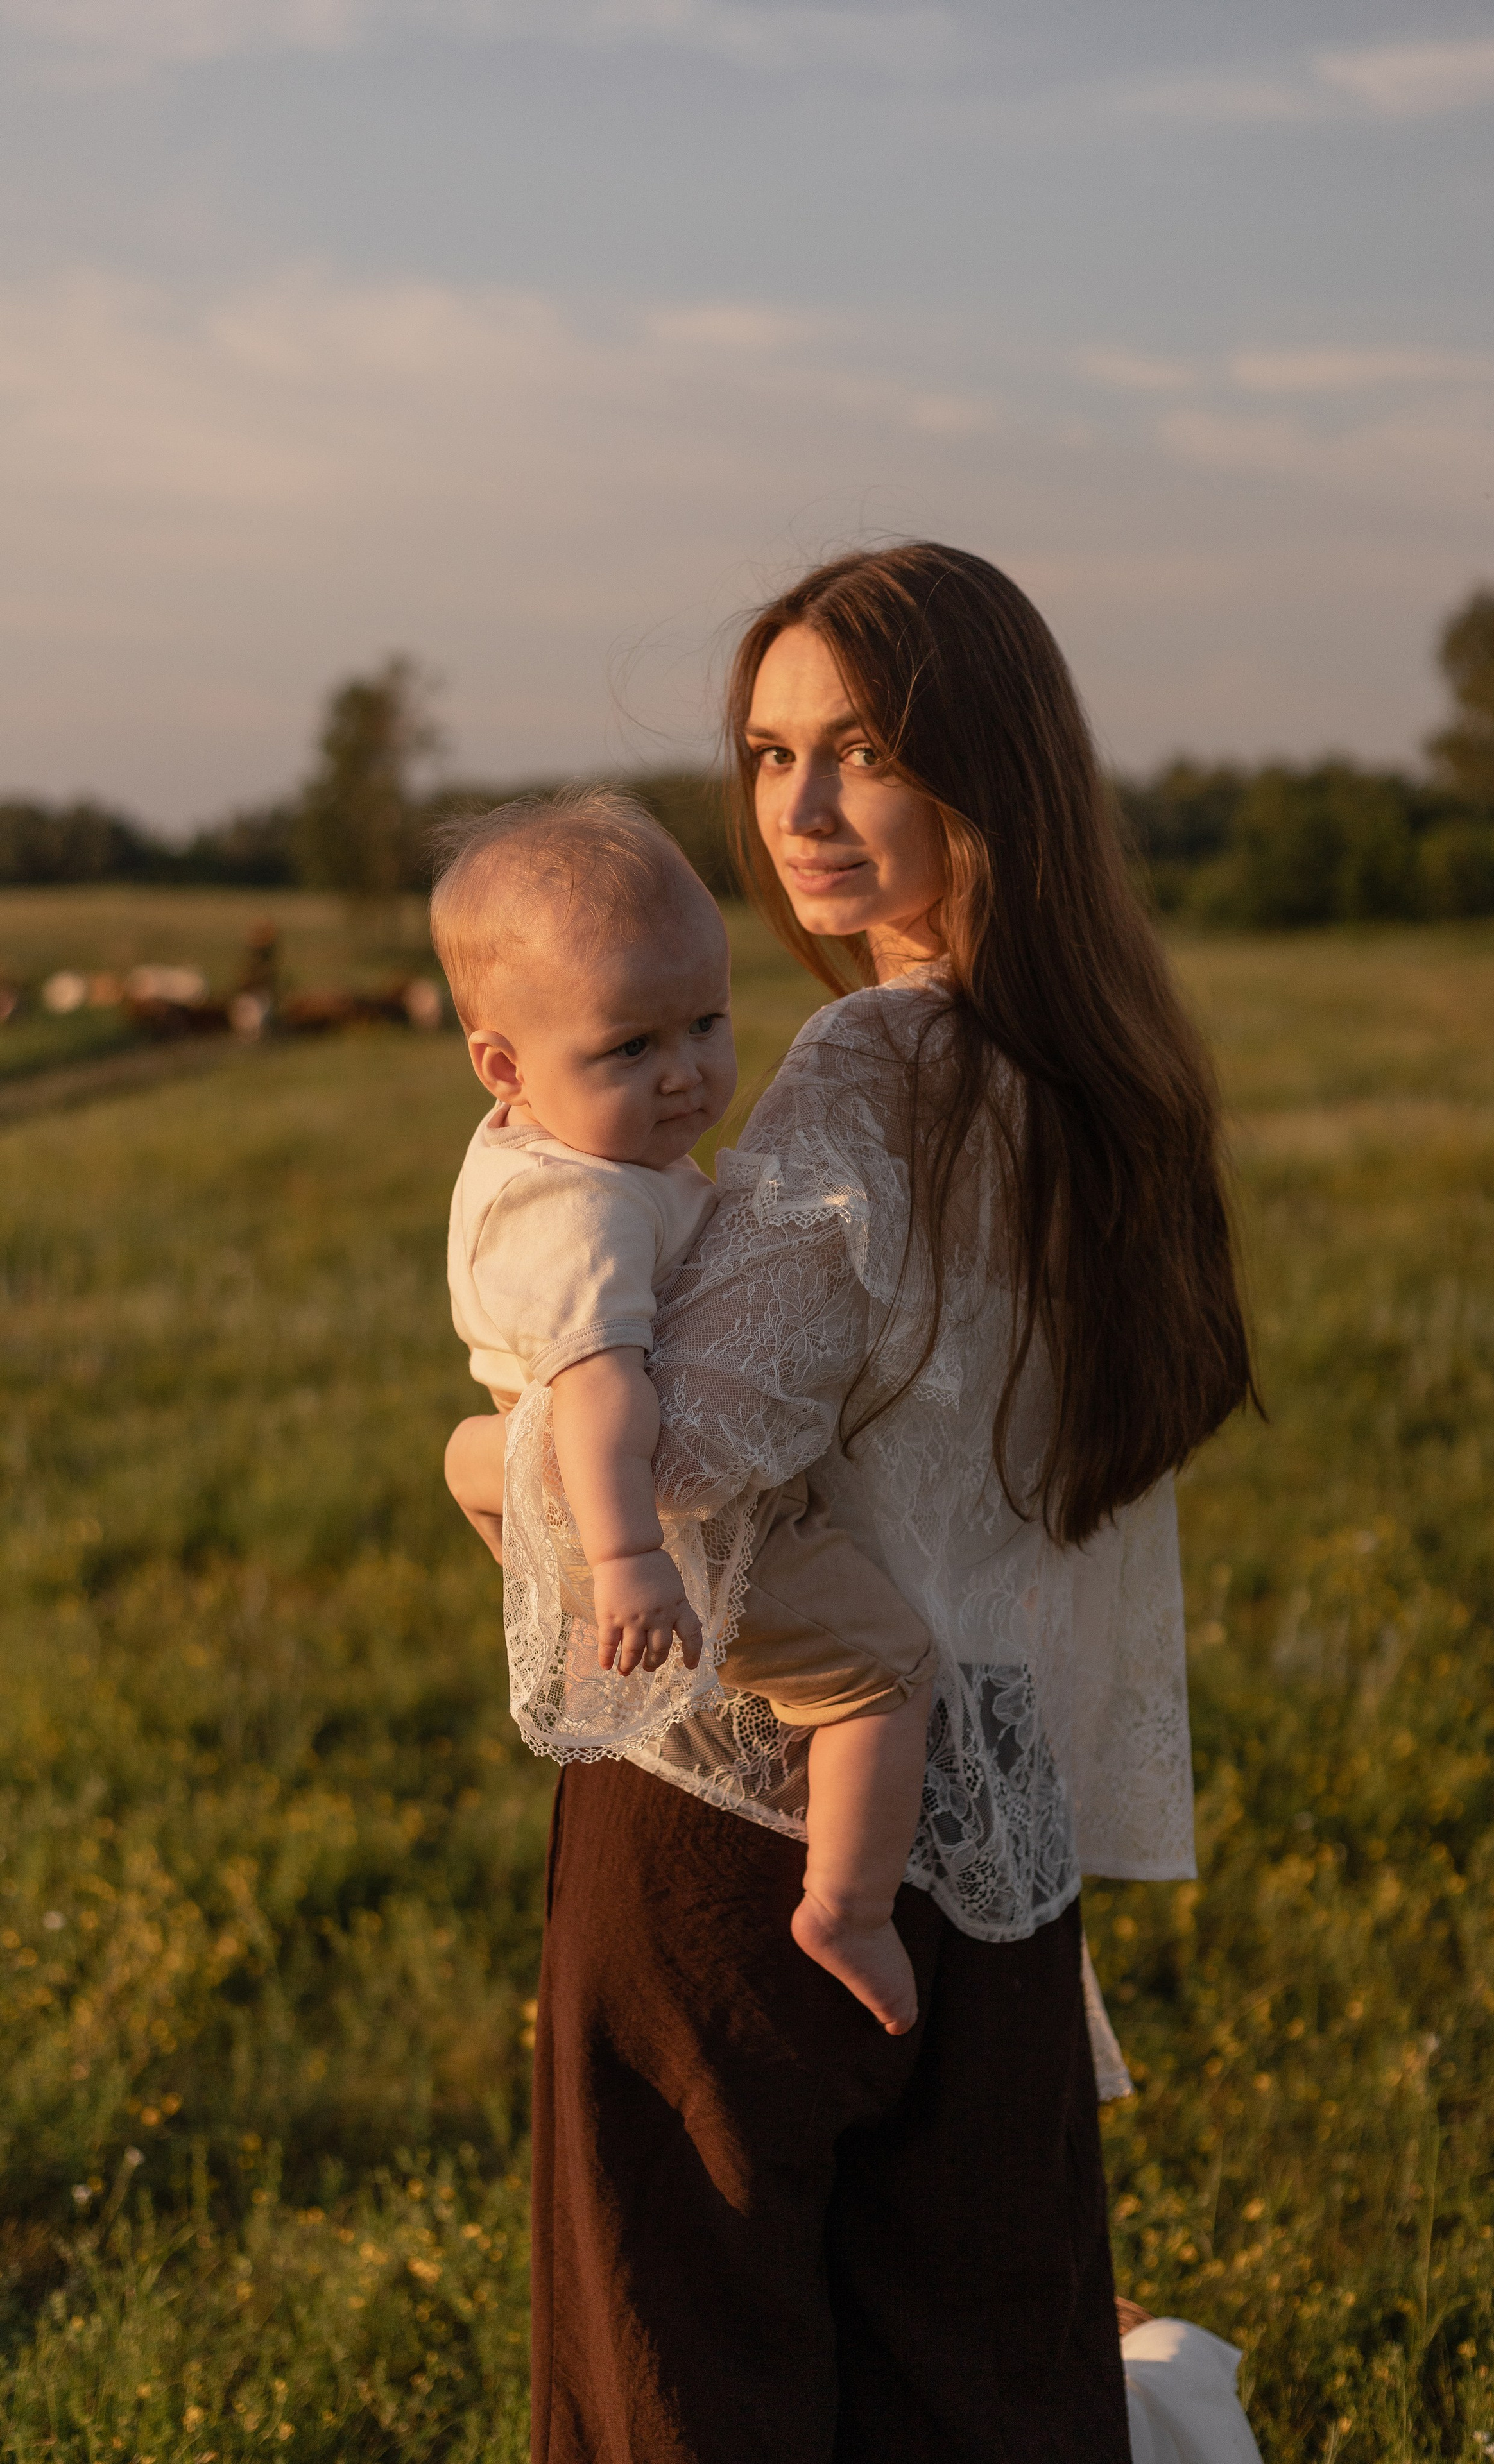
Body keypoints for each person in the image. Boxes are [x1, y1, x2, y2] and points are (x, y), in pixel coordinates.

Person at [445, 542, 1258, 2464]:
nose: (798, 808)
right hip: (990, 1806)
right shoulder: (1110, 1076)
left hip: (745, 1820)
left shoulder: (877, 1060)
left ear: (991, 768)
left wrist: (471, 1457)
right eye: (769, 751)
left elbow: (684, 1464)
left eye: (864, 749)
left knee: (687, 2382)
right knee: (981, 2382)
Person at [436, 788, 936, 2032]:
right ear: (504, 1066)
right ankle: (849, 1904)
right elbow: (604, 1390)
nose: (683, 1074)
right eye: (628, 1049)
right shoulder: (583, 1213)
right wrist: (625, 1560)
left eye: (705, 1023)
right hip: (685, 1532)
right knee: (885, 1671)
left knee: (488, 1462)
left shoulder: (563, 1155)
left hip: (612, 1502)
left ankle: (525, 1537)